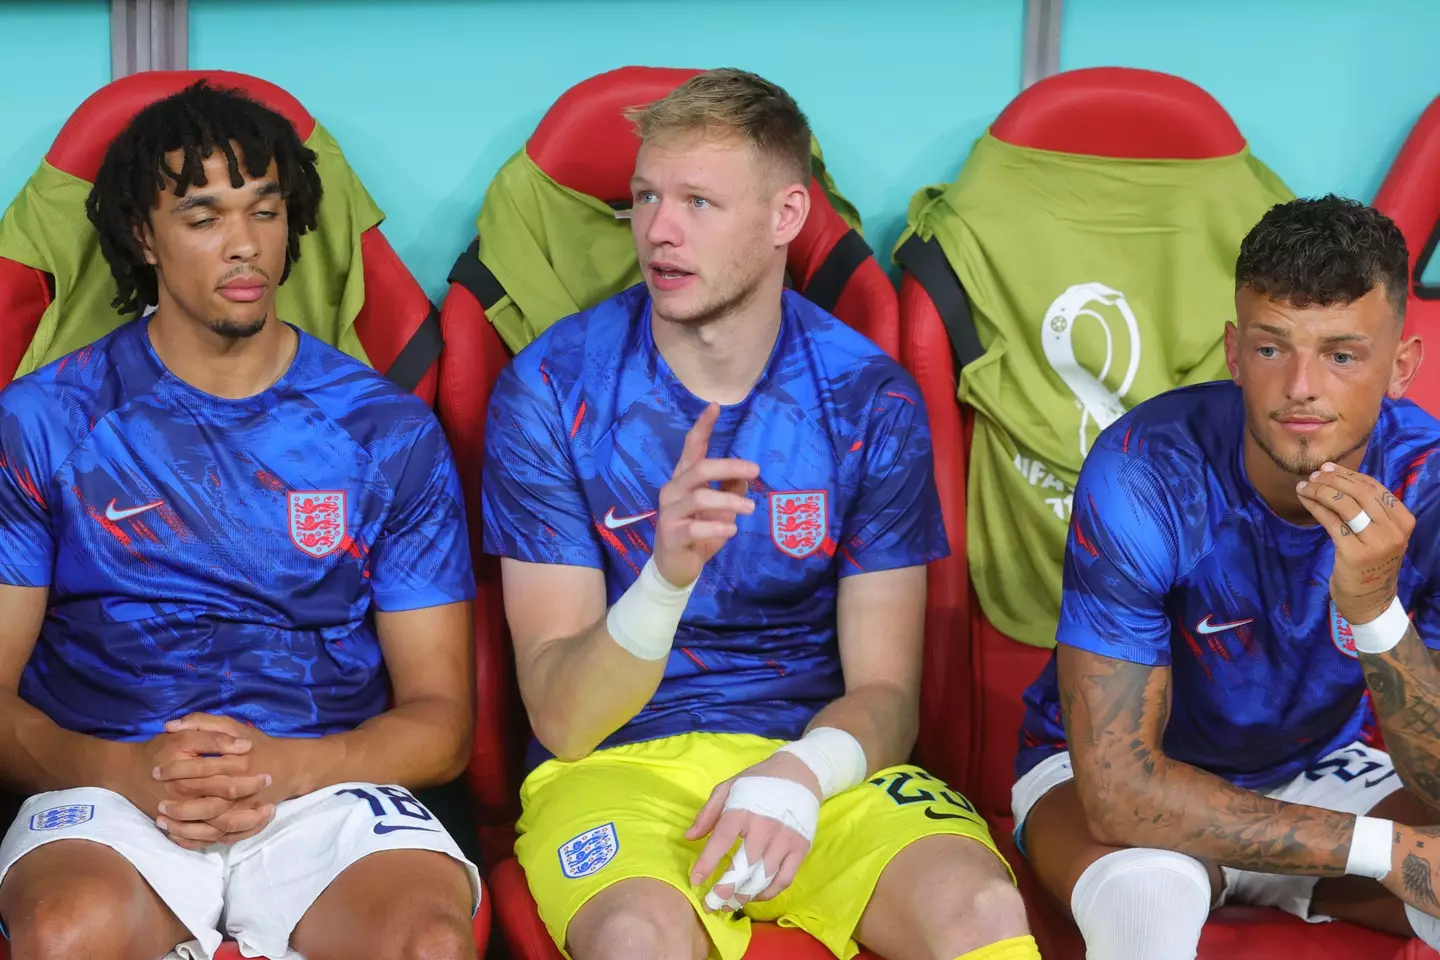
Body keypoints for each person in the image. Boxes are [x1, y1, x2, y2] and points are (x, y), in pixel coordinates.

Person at [480, 68, 1036, 960]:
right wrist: (664, 580)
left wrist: (799, 776)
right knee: (636, 939)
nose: (659, 231)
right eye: (645, 197)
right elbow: (563, 719)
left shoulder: (870, 399)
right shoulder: (549, 389)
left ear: (787, 216)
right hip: (616, 768)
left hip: (816, 762)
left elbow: (888, 698)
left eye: (698, 202)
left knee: (982, 910)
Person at [0, 81, 480, 960]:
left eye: (265, 211)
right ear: (143, 236)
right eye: (203, 217)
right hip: (111, 780)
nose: (244, 244)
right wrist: (124, 770)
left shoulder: (387, 430)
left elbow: (442, 721)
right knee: (66, 933)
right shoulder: (44, 421)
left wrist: (289, 768)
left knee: (428, 942)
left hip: (322, 780)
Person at [1012, 195, 1440, 958]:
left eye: (1342, 355)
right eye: (1273, 349)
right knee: (1147, 903)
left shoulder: (1428, 483)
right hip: (1124, 778)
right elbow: (1118, 794)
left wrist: (1376, 611)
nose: (1302, 386)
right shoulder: (1147, 470)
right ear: (1235, 354)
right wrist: (1382, 850)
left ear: (1401, 366)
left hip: (1317, 767)